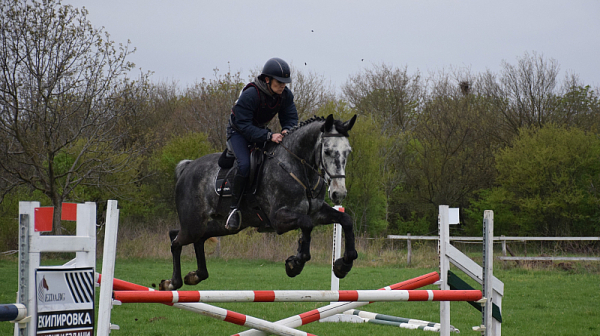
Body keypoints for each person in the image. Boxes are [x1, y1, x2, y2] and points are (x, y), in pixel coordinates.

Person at [225, 57, 299, 230]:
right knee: (244, 165)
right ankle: (233, 210)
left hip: (259, 132)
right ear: (267, 79)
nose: (283, 86)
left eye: (285, 83)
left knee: (276, 161)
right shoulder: (251, 94)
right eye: (279, 82)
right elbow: (243, 124)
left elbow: (290, 117)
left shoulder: (285, 95)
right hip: (238, 132)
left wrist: (287, 129)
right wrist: (268, 136)